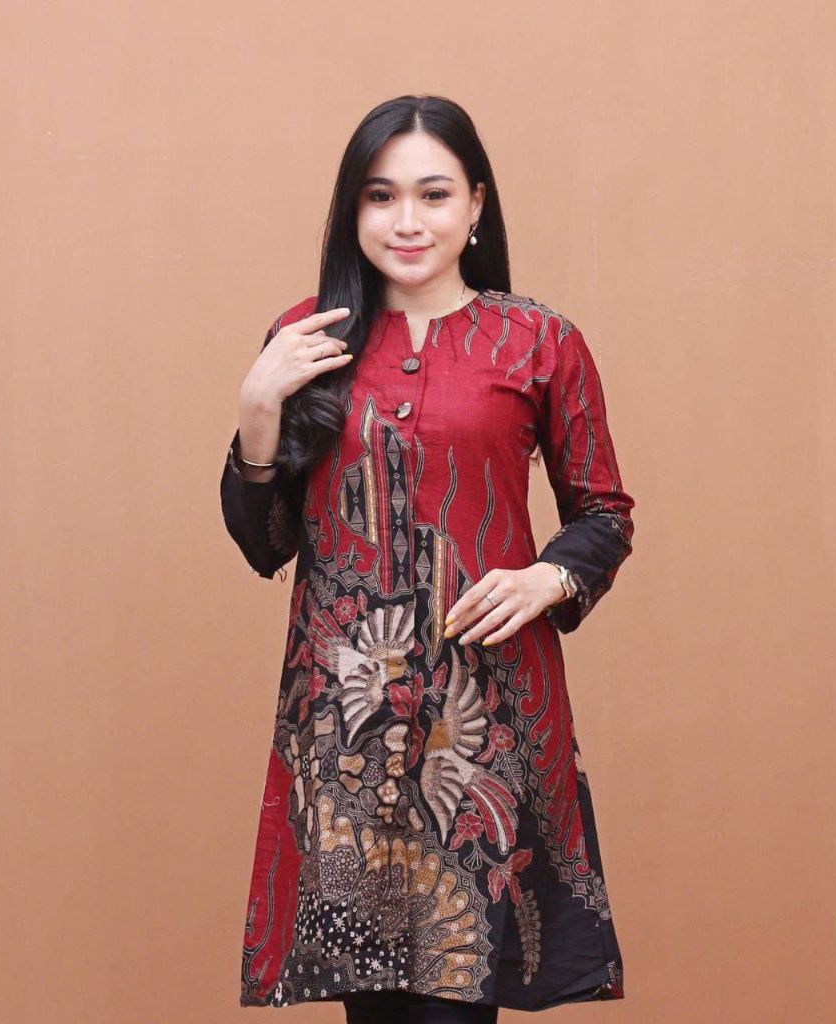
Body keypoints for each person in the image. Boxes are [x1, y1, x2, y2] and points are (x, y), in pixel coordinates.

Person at [220, 95, 635, 1021]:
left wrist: (548, 577)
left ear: (476, 204)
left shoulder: (541, 341)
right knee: (373, 1005)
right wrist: (257, 410)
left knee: (459, 991)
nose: (406, 220)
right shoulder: (306, 338)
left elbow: (604, 513)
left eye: (433, 194)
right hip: (347, 730)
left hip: (481, 721)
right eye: (381, 196)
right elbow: (264, 543)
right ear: (352, 210)